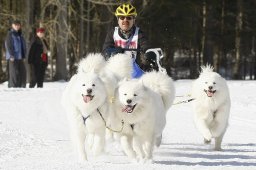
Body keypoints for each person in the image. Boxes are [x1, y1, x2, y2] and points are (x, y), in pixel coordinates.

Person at [102, 3, 158, 78]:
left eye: (129, 18)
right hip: (116, 71)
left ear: (133, 20)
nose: (125, 20)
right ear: (118, 20)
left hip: (135, 72)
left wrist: (148, 54)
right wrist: (113, 52)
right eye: (122, 17)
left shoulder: (139, 34)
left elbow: (146, 46)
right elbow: (105, 51)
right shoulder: (112, 33)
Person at [5, 19, 27, 88]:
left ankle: (22, 87)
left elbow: (22, 46)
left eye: (18, 25)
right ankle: (12, 87)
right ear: (12, 26)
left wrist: (24, 56)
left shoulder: (20, 35)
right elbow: (8, 45)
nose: (17, 26)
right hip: (13, 57)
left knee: (23, 72)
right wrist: (11, 55)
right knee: (14, 73)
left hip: (20, 57)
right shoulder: (10, 34)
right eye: (15, 25)